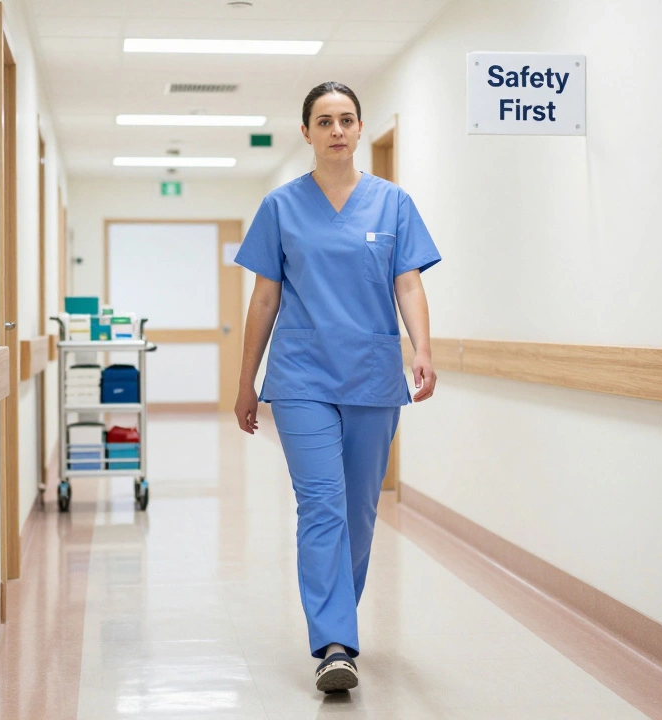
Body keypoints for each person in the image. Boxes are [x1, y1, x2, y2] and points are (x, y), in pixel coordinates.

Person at [233, 81, 441, 694]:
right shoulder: (280, 207)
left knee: (358, 510)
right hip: (300, 376)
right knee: (321, 504)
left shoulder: (393, 203)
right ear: (306, 132)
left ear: (358, 128)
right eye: (324, 121)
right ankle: (334, 643)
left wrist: (421, 349)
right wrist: (246, 382)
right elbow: (264, 296)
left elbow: (408, 283)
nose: (338, 131)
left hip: (374, 376)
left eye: (347, 119)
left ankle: (337, 620)